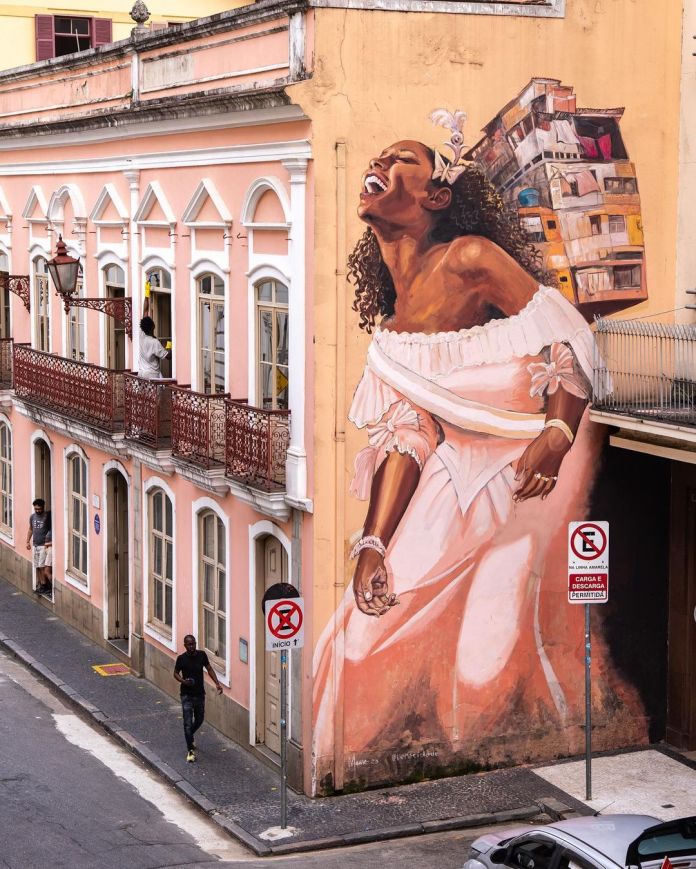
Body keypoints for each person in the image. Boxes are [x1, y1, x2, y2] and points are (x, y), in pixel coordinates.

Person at [312, 115, 645, 782]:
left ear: (437, 196)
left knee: (482, 666)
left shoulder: (470, 258)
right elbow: (408, 436)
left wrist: (556, 434)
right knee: (356, 635)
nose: (379, 159)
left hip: (532, 477)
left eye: (401, 157)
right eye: (381, 154)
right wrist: (373, 544)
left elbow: (568, 341)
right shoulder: (392, 331)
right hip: (453, 478)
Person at [174, 634, 222, 762]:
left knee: (200, 719)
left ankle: (189, 735)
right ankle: (190, 750)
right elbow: (175, 673)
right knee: (187, 723)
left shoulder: (202, 655)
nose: (192, 646)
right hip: (186, 696)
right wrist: (183, 681)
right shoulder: (181, 659)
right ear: (185, 646)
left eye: (193, 643)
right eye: (189, 644)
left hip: (199, 694)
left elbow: (209, 668)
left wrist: (217, 683)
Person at [25, 498, 52, 595]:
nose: (37, 510)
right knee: (37, 566)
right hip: (35, 545)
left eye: (39, 509)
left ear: (43, 507)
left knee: (42, 566)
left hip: (43, 546)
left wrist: (48, 543)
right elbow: (30, 529)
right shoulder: (32, 517)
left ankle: (46, 586)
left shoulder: (46, 517)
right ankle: (41, 584)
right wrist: (27, 541)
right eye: (36, 509)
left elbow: (50, 531)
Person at [138, 315, 170, 380]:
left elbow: (144, 315)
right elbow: (168, 356)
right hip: (152, 375)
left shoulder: (141, 337)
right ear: (153, 326)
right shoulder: (154, 342)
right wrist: (171, 345)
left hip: (141, 374)